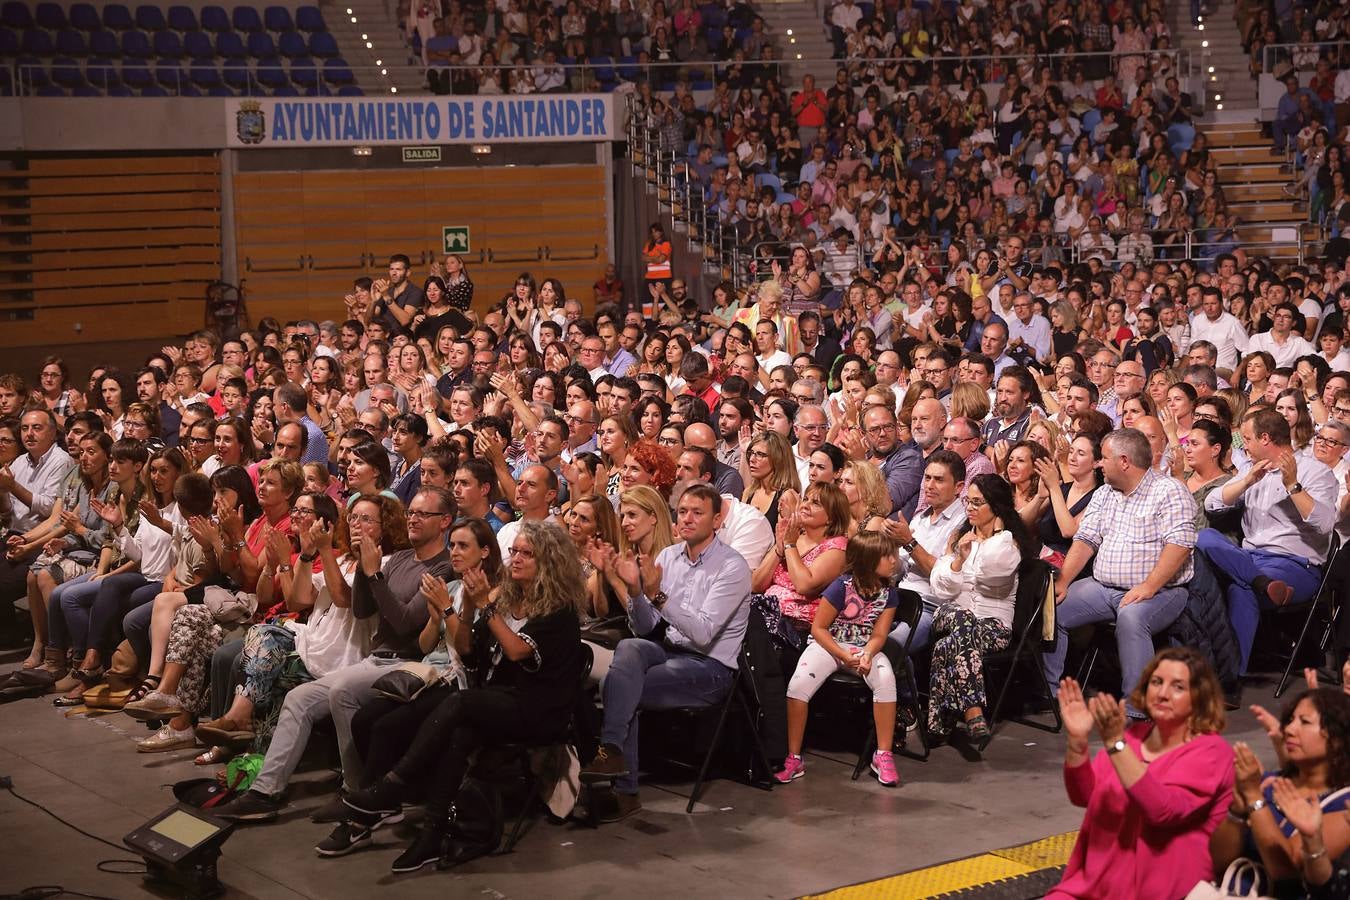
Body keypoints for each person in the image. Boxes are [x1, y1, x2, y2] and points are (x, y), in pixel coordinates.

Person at [338, 520, 584, 872]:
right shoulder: (511, 599)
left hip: (539, 710)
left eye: (526, 554)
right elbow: (467, 651)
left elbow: (515, 651)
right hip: (502, 700)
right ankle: (431, 835)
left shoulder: (558, 611)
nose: (515, 558)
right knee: (459, 731)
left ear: (548, 561)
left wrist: (484, 604)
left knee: (460, 703)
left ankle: (394, 785)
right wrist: (464, 607)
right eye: (514, 551)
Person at [212, 487, 456, 822]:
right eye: (411, 512)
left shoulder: (443, 567)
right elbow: (360, 609)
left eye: (422, 514)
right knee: (299, 699)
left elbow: (403, 625)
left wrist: (372, 573)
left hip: (408, 663)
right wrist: (365, 570)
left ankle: (355, 791)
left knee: (342, 691)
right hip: (376, 660)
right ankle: (264, 793)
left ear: (445, 522)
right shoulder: (400, 559)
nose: (413, 519)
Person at [580, 484, 752, 821]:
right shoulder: (668, 557)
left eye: (697, 512)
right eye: (683, 511)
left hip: (710, 669)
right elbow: (645, 628)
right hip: (668, 651)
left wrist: (657, 595)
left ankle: (623, 784)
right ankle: (613, 752)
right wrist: (635, 593)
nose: (687, 518)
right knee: (629, 647)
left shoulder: (732, 567)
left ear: (717, 520)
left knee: (616, 685)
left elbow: (703, 634)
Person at [1047, 648, 1235, 899]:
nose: (1163, 693)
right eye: (1156, 682)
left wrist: (1115, 743)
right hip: (1095, 885)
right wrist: (1077, 741)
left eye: (1178, 687)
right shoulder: (1133, 739)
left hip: (1162, 892)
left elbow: (1163, 810)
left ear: (1199, 698)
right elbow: (1085, 796)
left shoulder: (1212, 752)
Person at [1045, 428, 1198, 713]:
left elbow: (1180, 545)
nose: (1099, 464)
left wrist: (1149, 586)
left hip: (1162, 590)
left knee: (1131, 617)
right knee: (1052, 607)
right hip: (1103, 587)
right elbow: (1086, 539)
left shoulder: (1168, 491)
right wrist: (1064, 580)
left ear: (1124, 461)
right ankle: (1050, 692)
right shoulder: (1105, 494)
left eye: (1103, 458)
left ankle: (1136, 708)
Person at [1198, 408, 1338, 673]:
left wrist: (1293, 485)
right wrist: (1246, 482)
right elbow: (1211, 503)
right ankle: (1260, 582)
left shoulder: (1316, 472)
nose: (1244, 445)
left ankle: (1227, 677)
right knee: (1204, 538)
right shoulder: (1252, 470)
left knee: (1240, 589)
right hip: (1250, 560)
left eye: (1247, 439)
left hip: (1295, 566)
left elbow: (1324, 523)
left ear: (1265, 438)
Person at [926, 474, 1038, 751]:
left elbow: (993, 574)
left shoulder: (1009, 544)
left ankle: (938, 724)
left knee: (946, 646)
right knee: (961, 617)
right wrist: (960, 560)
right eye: (968, 501)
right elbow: (941, 587)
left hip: (994, 626)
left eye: (978, 502)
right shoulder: (959, 538)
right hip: (952, 615)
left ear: (996, 507)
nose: (970, 508)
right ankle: (973, 710)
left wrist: (993, 535)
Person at [779, 531, 900, 786]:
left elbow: (879, 633)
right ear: (869, 559)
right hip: (830, 645)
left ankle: (883, 754)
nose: (894, 560)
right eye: (888, 555)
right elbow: (818, 628)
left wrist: (867, 653)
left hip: (864, 647)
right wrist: (842, 654)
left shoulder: (889, 593)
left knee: (887, 679)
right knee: (798, 686)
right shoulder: (841, 586)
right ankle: (793, 757)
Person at [1211, 686, 1350, 898]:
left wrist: (1255, 800)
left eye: (1304, 722)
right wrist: (1237, 811)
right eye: (1291, 720)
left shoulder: (1343, 804)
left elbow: (1284, 871)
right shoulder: (1271, 781)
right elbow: (1219, 859)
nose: (1290, 729)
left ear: (1337, 738)